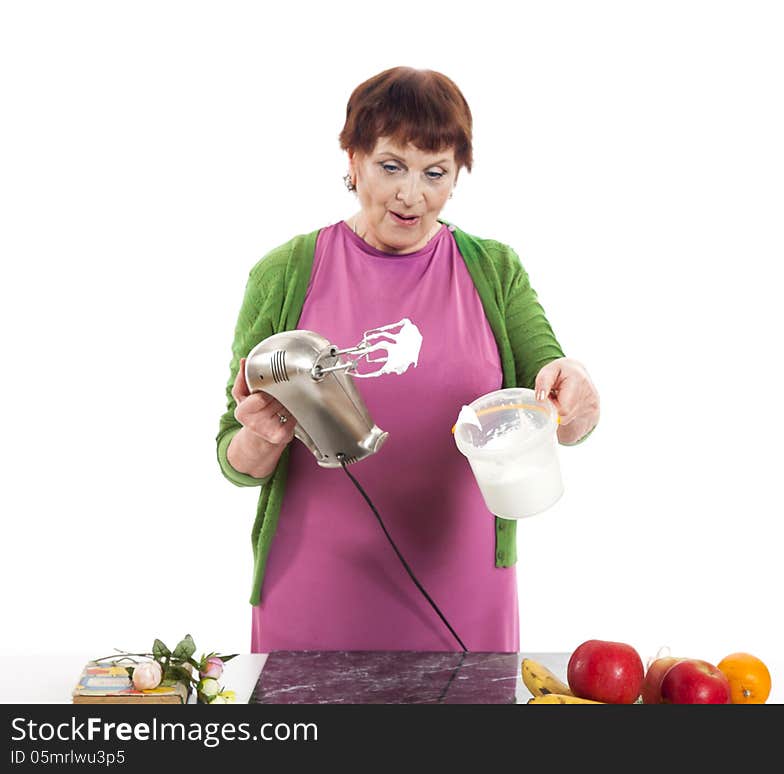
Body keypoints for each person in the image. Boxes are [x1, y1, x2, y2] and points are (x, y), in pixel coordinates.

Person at [217, 66, 600, 654]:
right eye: (391, 165)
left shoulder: (494, 270)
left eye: (435, 173)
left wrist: (575, 394)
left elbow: (555, 398)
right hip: (315, 589)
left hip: (464, 589)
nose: (411, 194)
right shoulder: (284, 272)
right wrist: (261, 439)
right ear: (353, 160)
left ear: (457, 176)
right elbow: (234, 458)